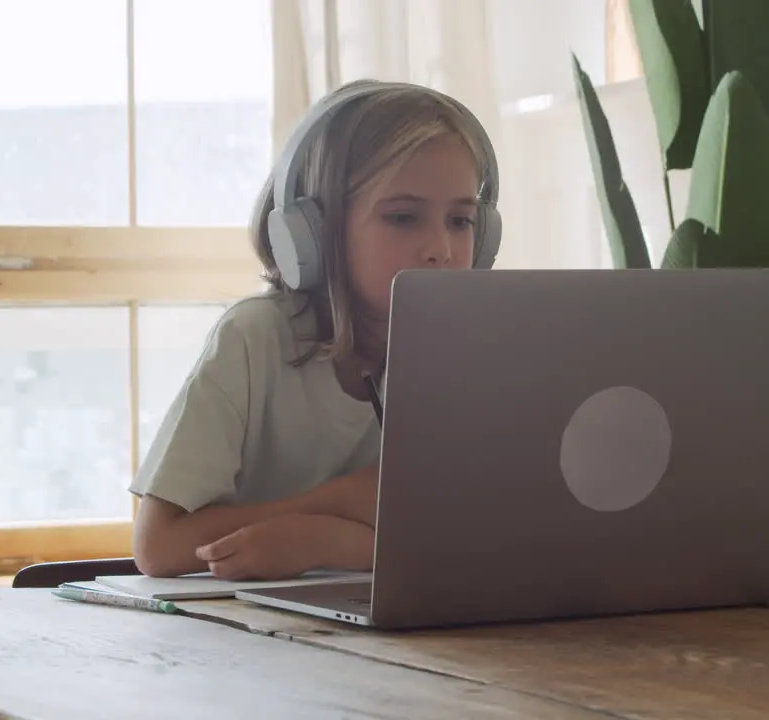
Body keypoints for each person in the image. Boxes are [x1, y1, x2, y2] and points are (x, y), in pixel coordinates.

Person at [129, 79, 501, 581]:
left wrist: (333, 540)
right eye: (404, 217)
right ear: (312, 234)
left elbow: (475, 534)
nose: (441, 247)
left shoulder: (458, 356)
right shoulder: (252, 340)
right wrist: (339, 503)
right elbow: (160, 546)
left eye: (461, 221)